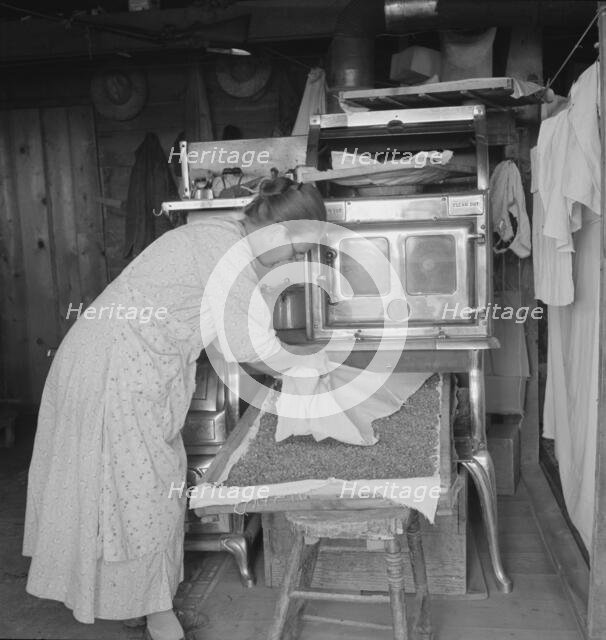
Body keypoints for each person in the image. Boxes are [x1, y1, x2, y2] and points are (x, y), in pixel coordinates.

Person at [23, 178, 327, 640]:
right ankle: (156, 615)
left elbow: (231, 333)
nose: (292, 261)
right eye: (294, 250)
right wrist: (322, 370)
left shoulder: (224, 235)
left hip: (106, 355)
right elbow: (252, 346)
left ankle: (131, 601)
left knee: (120, 481)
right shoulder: (228, 256)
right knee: (142, 485)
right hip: (118, 365)